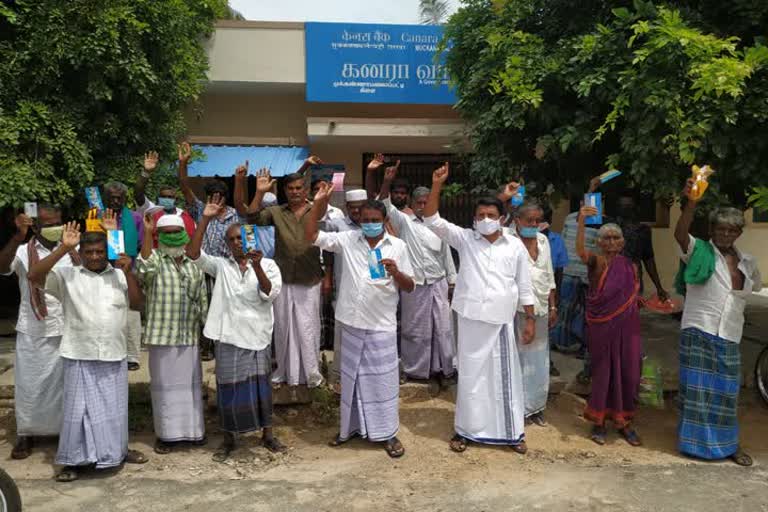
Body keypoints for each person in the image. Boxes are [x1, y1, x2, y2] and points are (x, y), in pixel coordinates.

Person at [423, 163, 535, 454]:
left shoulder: (514, 246)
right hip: (471, 318)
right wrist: (437, 185)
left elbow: (525, 287)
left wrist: (531, 320)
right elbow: (432, 219)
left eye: (491, 216)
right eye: (481, 215)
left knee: (503, 377)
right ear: (474, 219)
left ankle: (511, 433)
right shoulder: (465, 239)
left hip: (500, 321)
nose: (486, 219)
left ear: (502, 219)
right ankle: (465, 431)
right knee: (471, 377)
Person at [28, 222, 148, 482]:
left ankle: (117, 452)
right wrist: (63, 249)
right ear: (81, 254)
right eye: (89, 252)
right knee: (77, 412)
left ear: (107, 252)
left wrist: (128, 273)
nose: (94, 256)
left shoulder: (119, 275)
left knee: (114, 410)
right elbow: (33, 277)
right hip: (78, 353)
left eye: (99, 252)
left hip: (113, 354)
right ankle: (73, 461)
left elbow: (138, 305)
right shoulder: (68, 276)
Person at [306, 181, 414, 458]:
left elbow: (410, 285)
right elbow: (310, 235)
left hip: (381, 325)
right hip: (351, 322)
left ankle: (387, 433)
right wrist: (319, 201)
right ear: (358, 219)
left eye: (375, 220)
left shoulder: (398, 246)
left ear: (384, 221)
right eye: (365, 220)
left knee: (383, 381)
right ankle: (349, 429)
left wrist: (396, 273)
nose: (369, 224)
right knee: (350, 380)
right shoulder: (346, 240)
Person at [188, 197, 287, 461]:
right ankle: (230, 438)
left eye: (241, 237)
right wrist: (205, 219)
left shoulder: (268, 265)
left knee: (260, 389)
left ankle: (267, 434)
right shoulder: (221, 266)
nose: (237, 242)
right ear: (227, 244)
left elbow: (269, 293)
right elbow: (193, 254)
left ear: (251, 239)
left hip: (257, 336)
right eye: (231, 239)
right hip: (229, 336)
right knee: (229, 389)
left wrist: (256, 266)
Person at [674, 179, 761, 466]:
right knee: (697, 391)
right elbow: (680, 233)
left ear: (738, 232)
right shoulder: (699, 251)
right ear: (712, 230)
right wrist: (692, 202)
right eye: (720, 228)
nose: (725, 233)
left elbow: (750, 290)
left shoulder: (747, 262)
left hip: (730, 333)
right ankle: (695, 447)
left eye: (731, 229)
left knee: (726, 394)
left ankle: (728, 445)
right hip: (700, 328)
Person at [0, 206, 76, 459]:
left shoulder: (69, 249)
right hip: (33, 326)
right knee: (30, 384)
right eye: (48, 223)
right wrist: (17, 237)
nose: (55, 226)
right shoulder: (24, 250)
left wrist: (69, 247)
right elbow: (2, 268)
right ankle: (27, 433)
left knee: (64, 384)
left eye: (58, 222)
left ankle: (63, 431)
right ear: (35, 226)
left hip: (65, 325)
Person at [247, 168, 327, 389]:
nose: (294, 192)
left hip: (309, 278)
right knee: (283, 327)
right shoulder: (275, 212)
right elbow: (252, 218)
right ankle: (285, 372)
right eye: (290, 188)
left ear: (306, 190)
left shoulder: (315, 210)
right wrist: (259, 193)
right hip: (281, 277)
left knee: (307, 326)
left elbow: (325, 229)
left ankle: (311, 374)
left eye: (299, 188)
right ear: (284, 190)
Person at [378, 162, 457, 385]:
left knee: (442, 328)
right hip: (415, 284)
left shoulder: (440, 225)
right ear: (412, 204)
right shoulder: (405, 222)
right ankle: (416, 371)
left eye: (427, 202)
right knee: (415, 330)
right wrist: (386, 181)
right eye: (419, 202)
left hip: (438, 283)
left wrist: (452, 282)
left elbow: (446, 255)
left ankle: (443, 369)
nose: (423, 206)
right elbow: (385, 204)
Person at [137, 214, 208, 454]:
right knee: (165, 388)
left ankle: (193, 433)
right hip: (162, 336)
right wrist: (147, 233)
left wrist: (206, 328)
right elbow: (143, 267)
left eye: (175, 231)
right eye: (165, 232)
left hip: (188, 335)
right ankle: (167, 436)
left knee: (190, 386)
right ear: (160, 237)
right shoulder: (155, 259)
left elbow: (202, 298)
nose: (172, 236)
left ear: (184, 233)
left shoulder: (193, 263)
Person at [575, 204, 642, 447]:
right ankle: (599, 422)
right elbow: (580, 250)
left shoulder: (631, 266)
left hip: (628, 329)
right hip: (602, 329)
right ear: (600, 242)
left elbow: (633, 296)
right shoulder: (597, 261)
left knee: (629, 374)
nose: (612, 242)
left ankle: (624, 422)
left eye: (616, 238)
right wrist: (582, 220)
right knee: (603, 374)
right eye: (607, 238)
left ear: (622, 242)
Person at [185, 149, 244, 361]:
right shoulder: (201, 209)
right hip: (203, 266)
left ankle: (225, 342)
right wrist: (183, 165)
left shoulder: (235, 215)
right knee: (204, 307)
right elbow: (185, 187)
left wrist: (240, 181)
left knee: (226, 307)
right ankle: (206, 346)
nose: (215, 201)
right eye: (212, 197)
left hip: (227, 268)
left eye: (219, 198)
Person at [503, 199, 557, 426]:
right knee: (517, 357)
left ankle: (535, 407)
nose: (534, 224)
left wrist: (553, 306)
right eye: (529, 220)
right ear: (517, 221)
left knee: (539, 359)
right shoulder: (508, 241)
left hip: (543, 308)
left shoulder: (543, 241)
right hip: (517, 310)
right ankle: (518, 408)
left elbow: (549, 275)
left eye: (537, 220)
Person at [320, 188, 368, 392]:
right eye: (353, 208)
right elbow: (328, 254)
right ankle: (339, 374)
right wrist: (328, 279)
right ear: (347, 208)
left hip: (369, 291)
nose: (357, 212)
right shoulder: (336, 225)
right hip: (344, 287)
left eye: (361, 208)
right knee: (342, 333)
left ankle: (364, 374)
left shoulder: (373, 224)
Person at [103, 180, 145, 371]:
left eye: (119, 198)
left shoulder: (135, 218)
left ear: (125, 199)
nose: (115, 202)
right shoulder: (96, 217)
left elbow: (141, 244)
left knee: (131, 313)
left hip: (130, 269)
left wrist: (127, 258)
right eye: (112, 198)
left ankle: (132, 356)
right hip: (103, 270)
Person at [614, 190, 669, 301]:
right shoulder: (610, 227)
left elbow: (649, 259)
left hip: (634, 281)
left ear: (636, 207)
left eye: (629, 206)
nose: (625, 209)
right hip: (612, 280)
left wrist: (659, 287)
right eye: (622, 206)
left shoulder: (643, 230)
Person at [133, 150, 196, 246]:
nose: (166, 199)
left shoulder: (185, 216)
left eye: (170, 197)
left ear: (176, 200)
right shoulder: (151, 211)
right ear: (158, 198)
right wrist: (146, 172)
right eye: (163, 196)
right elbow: (138, 192)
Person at [540, 203, 568, 377]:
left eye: (543, 219)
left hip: (549, 292)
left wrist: (555, 299)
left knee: (547, 330)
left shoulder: (556, 240)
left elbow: (559, 271)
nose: (540, 223)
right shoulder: (522, 240)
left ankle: (547, 362)